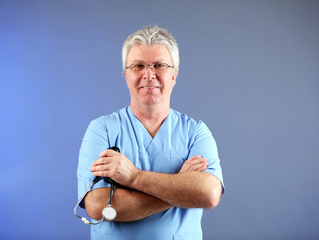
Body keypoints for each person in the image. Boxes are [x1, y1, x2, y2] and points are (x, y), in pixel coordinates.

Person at [77, 25, 224, 240]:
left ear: (173, 75)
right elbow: (98, 206)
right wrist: (181, 189)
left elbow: (209, 194)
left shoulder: (195, 132)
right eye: (138, 66)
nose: (149, 74)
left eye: (159, 65)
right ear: (126, 75)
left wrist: (134, 177)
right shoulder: (102, 130)